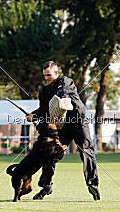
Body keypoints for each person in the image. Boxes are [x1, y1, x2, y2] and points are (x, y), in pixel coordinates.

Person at [26, 61, 100, 200]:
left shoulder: (66, 82)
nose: (47, 78)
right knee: (51, 152)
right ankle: (46, 187)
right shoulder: (43, 91)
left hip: (78, 122)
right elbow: (43, 110)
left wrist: (60, 100)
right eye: (45, 76)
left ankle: (92, 184)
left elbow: (62, 95)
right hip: (63, 126)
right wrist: (33, 116)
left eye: (49, 75)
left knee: (86, 150)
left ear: (56, 73)